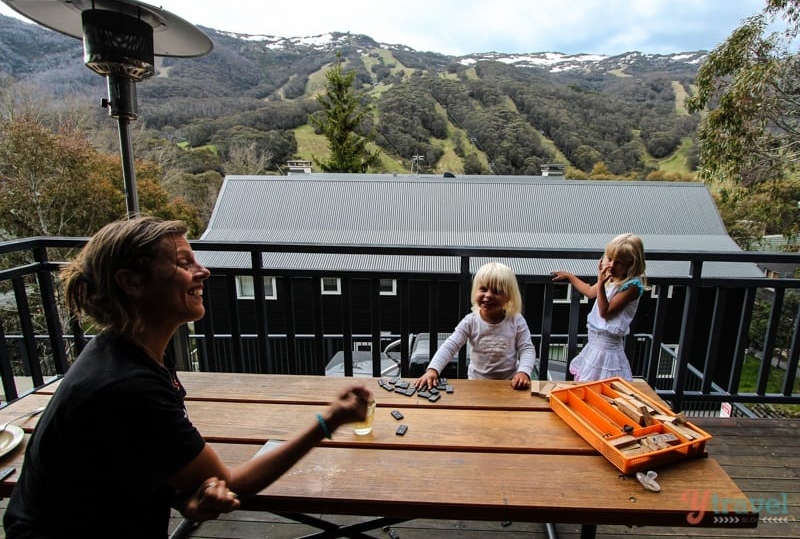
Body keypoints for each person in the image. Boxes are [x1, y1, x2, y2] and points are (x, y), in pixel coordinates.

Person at [3, 216, 372, 539]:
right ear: (131, 282)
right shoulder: (126, 385)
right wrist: (329, 420)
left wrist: (189, 497)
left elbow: (155, 464)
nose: (203, 271)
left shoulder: (129, 350)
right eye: (183, 262)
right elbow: (230, 483)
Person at [413, 262, 536, 391]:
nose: (488, 295)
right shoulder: (471, 321)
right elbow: (450, 345)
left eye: (496, 291)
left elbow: (527, 348)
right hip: (476, 383)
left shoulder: (516, 320)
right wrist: (433, 370)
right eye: (483, 289)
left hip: (509, 383)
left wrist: (523, 372)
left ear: (509, 297)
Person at [551, 233, 647, 382]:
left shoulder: (632, 286)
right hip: (595, 345)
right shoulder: (612, 278)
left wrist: (601, 282)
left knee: (602, 387)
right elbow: (590, 292)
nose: (611, 265)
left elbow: (605, 312)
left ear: (631, 264)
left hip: (608, 350)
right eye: (609, 259)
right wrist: (570, 276)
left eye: (619, 263)